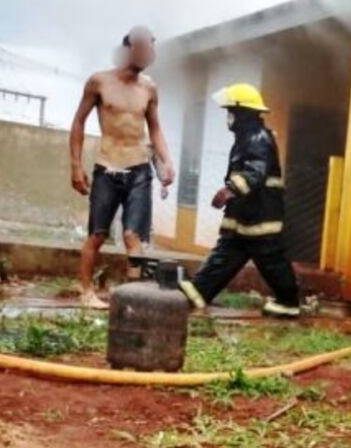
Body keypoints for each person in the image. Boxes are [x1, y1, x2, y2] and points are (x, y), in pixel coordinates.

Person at [69, 26, 175, 308]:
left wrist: (167, 161)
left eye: (150, 48)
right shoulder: (99, 82)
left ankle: (133, 299)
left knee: (133, 236)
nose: (147, 53)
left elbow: (155, 129)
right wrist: (76, 167)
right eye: (141, 47)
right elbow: (78, 122)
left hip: (139, 169)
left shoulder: (149, 88)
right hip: (107, 168)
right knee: (97, 235)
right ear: (127, 49)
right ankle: (87, 292)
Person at [178, 83, 300, 318]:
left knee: (271, 260)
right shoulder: (247, 138)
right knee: (226, 253)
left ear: (242, 113)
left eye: (230, 112)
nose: (228, 118)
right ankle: (199, 291)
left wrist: (230, 190)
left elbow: (256, 171)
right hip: (245, 214)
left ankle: (288, 302)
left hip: (261, 216)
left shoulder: (258, 138)